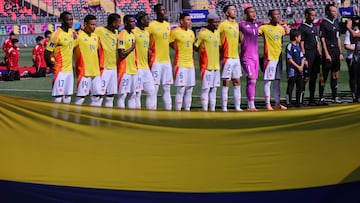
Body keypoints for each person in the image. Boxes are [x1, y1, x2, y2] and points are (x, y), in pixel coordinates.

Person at [259, 9, 287, 110]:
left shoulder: (281, 29)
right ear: (270, 17)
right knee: (268, 81)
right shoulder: (264, 28)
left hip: (278, 57)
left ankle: (277, 103)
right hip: (269, 58)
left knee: (277, 81)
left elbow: (283, 37)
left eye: (278, 14)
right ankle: (267, 104)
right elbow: (254, 33)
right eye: (275, 15)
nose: (278, 16)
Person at [45, 11, 76, 104]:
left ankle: (64, 118)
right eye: (68, 20)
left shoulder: (71, 31)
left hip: (69, 71)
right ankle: (55, 117)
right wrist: (51, 65)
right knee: (58, 97)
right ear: (62, 21)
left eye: (71, 19)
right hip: (59, 71)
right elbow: (47, 52)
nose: (71, 22)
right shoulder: (56, 35)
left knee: (68, 97)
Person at [73, 15, 104, 106]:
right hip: (84, 72)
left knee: (97, 97)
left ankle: (94, 119)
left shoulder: (96, 36)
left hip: (96, 72)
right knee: (81, 97)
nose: (94, 27)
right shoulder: (78, 36)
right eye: (91, 24)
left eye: (95, 24)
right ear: (85, 24)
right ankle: (75, 118)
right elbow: (68, 48)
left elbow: (100, 53)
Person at [148, 3, 173, 110]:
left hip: (166, 61)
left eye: (165, 10)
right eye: (161, 10)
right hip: (155, 61)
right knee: (154, 88)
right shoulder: (151, 25)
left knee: (167, 88)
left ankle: (168, 111)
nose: (164, 12)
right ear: (156, 12)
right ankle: (152, 113)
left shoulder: (168, 25)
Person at [194, 13, 221, 112]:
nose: (217, 24)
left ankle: (212, 110)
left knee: (214, 89)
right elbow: (195, 46)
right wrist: (202, 54)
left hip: (216, 66)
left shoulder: (217, 33)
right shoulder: (202, 33)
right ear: (209, 22)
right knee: (206, 88)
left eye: (218, 22)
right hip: (206, 66)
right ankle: (205, 110)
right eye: (215, 22)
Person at [218, 4, 242, 112]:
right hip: (226, 57)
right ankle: (224, 107)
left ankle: (237, 106)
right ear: (227, 13)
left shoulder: (237, 25)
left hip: (236, 57)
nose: (235, 11)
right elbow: (216, 37)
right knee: (226, 82)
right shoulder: (222, 24)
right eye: (232, 10)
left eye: (235, 9)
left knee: (237, 81)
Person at [95, 13, 122, 107]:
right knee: (99, 96)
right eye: (119, 22)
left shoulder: (116, 33)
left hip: (113, 68)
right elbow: (84, 32)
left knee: (110, 96)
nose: (120, 25)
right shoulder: (99, 30)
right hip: (103, 67)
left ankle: (108, 117)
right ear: (113, 23)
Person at [170, 13, 196, 111]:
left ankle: (187, 109)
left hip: (191, 64)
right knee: (181, 88)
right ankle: (178, 109)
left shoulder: (191, 32)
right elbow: (170, 43)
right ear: (181, 21)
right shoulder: (175, 32)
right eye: (188, 20)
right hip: (180, 64)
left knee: (189, 88)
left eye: (190, 20)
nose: (190, 22)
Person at [319, 3, 343, 104]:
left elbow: (338, 38)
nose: (335, 12)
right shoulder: (324, 23)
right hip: (328, 52)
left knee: (335, 75)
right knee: (324, 76)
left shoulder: (336, 22)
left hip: (336, 52)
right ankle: (321, 97)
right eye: (333, 11)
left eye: (336, 10)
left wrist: (340, 52)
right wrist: (326, 53)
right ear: (328, 12)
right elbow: (322, 39)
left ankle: (335, 96)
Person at [239, 7, 261, 111]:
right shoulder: (241, 25)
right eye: (251, 12)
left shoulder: (257, 24)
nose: (253, 14)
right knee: (251, 79)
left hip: (255, 57)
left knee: (253, 80)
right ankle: (251, 105)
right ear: (246, 14)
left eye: (254, 11)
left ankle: (250, 103)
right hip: (246, 57)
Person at [298, 8, 322, 106]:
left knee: (314, 77)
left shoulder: (314, 27)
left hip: (315, 55)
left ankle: (312, 99)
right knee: (305, 77)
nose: (313, 17)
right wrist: (304, 57)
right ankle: (301, 99)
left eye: (314, 15)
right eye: (312, 15)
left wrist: (319, 54)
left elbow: (317, 42)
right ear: (307, 15)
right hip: (308, 54)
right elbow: (301, 43)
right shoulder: (302, 28)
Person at [133, 11, 157, 110]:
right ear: (141, 21)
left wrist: (147, 50)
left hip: (145, 67)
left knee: (152, 90)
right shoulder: (134, 31)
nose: (149, 21)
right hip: (136, 67)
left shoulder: (147, 33)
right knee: (137, 93)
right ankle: (136, 116)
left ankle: (151, 115)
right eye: (147, 19)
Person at [117, 15, 140, 109]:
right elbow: (121, 54)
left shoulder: (132, 34)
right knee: (122, 95)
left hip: (133, 69)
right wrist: (131, 48)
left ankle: (131, 117)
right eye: (131, 22)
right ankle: (121, 117)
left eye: (134, 21)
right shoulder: (122, 35)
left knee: (133, 94)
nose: (134, 23)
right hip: (124, 70)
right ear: (126, 23)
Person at [286, 29, 306, 107]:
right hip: (292, 71)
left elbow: (302, 58)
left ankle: (299, 102)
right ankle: (288, 102)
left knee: (300, 87)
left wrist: (301, 66)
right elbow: (289, 59)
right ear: (296, 37)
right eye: (300, 37)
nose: (300, 38)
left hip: (299, 71)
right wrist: (298, 66)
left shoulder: (298, 47)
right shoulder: (290, 46)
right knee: (290, 87)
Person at [345, 17, 360, 102]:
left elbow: (354, 35)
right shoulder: (349, 32)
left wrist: (348, 27)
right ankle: (355, 94)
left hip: (357, 57)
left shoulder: (351, 32)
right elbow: (346, 45)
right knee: (354, 77)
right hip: (353, 57)